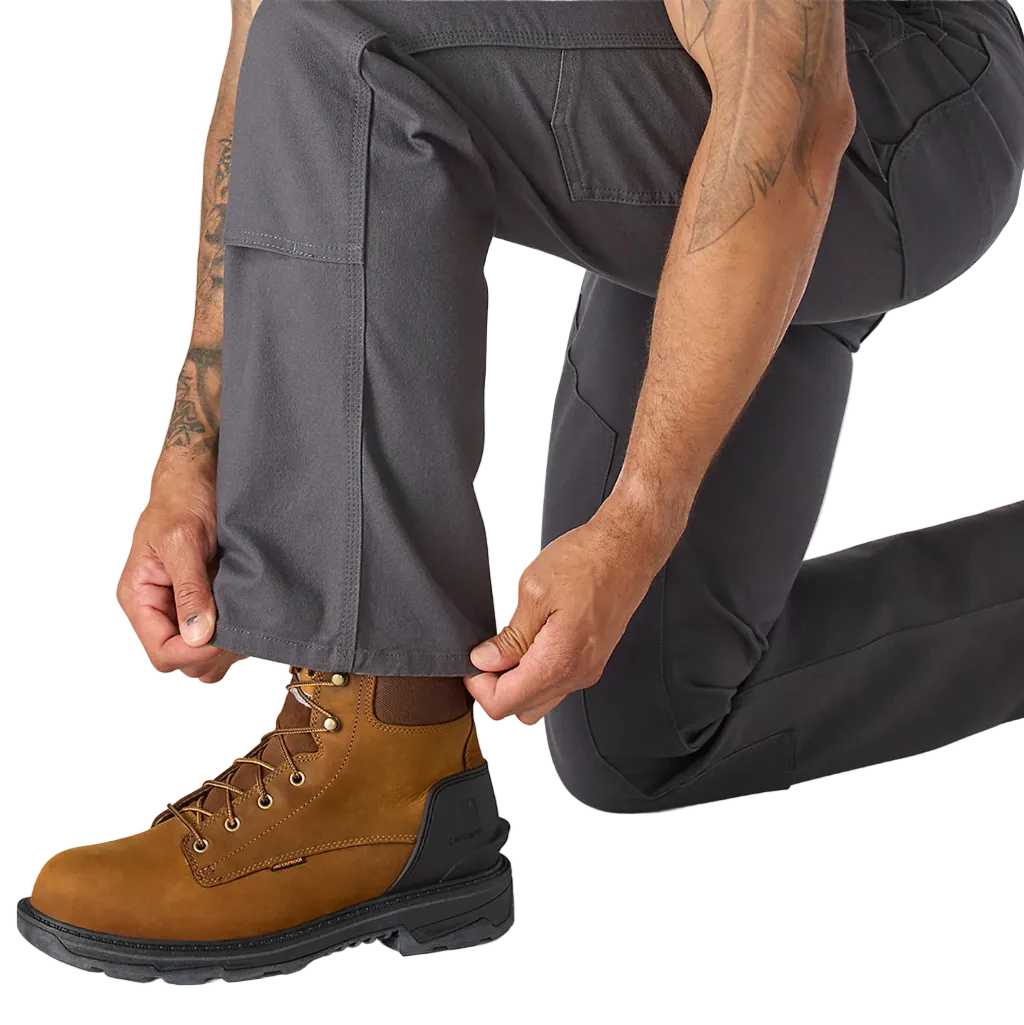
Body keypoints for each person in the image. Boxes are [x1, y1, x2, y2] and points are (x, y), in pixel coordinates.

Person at [17, 0, 1024, 983]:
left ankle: (385, 750)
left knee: (356, 37)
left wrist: (634, 520)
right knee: (648, 722)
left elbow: (791, 109)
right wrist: (198, 447)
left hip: (894, 96)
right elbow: (264, 49)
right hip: (705, 87)